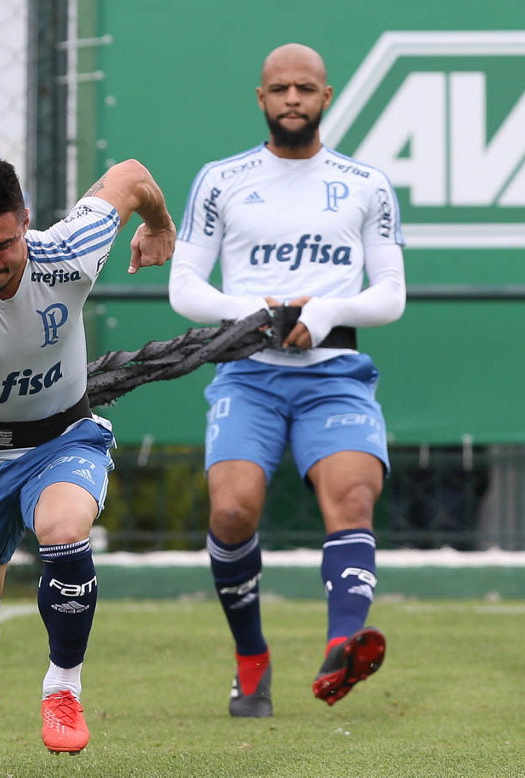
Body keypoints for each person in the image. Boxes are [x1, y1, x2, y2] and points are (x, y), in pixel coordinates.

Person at [0, 156, 176, 768]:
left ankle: (63, 688)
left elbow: (130, 176)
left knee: (64, 528)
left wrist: (158, 223)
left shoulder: (69, 251)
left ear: (26, 220)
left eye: (4, 244)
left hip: (62, 440)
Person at [167, 43, 407, 717]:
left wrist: (324, 312)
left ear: (326, 96)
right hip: (248, 376)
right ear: (261, 98)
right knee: (231, 512)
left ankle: (341, 647)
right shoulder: (221, 179)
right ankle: (252, 657)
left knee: (353, 499)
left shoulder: (366, 184)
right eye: (280, 88)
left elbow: (390, 294)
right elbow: (184, 287)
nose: (292, 98)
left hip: (336, 375)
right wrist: (256, 313)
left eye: (305, 88)